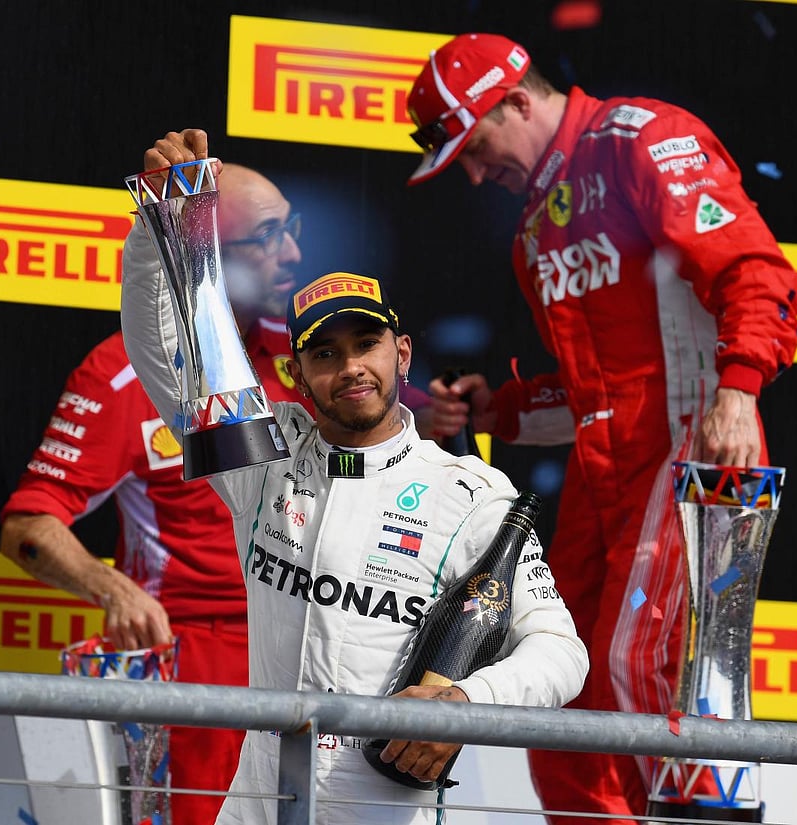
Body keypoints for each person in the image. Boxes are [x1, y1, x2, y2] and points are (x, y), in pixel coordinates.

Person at [405, 32, 797, 825]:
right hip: (601, 476)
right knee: (558, 677)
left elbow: (756, 273)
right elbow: (591, 394)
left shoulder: (642, 139)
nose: (477, 174)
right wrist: (498, 411)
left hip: (690, 446)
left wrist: (738, 391)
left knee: (641, 659)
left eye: (475, 148)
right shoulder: (532, 235)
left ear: (517, 99)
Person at [121, 163, 589, 824]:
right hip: (256, 808)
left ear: (401, 353)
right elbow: (162, 353)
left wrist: (468, 699)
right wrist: (161, 215)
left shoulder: (472, 492)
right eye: (325, 354)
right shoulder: (264, 457)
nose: (350, 369)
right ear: (296, 372)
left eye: (366, 344)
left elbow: (560, 650)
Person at [0, 138, 436, 825]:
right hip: (195, 662)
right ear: (212, 256)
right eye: (266, 238)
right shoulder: (127, 374)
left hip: (318, 650)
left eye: (291, 229)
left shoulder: (313, 356)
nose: (292, 253)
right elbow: (29, 524)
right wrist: (113, 588)